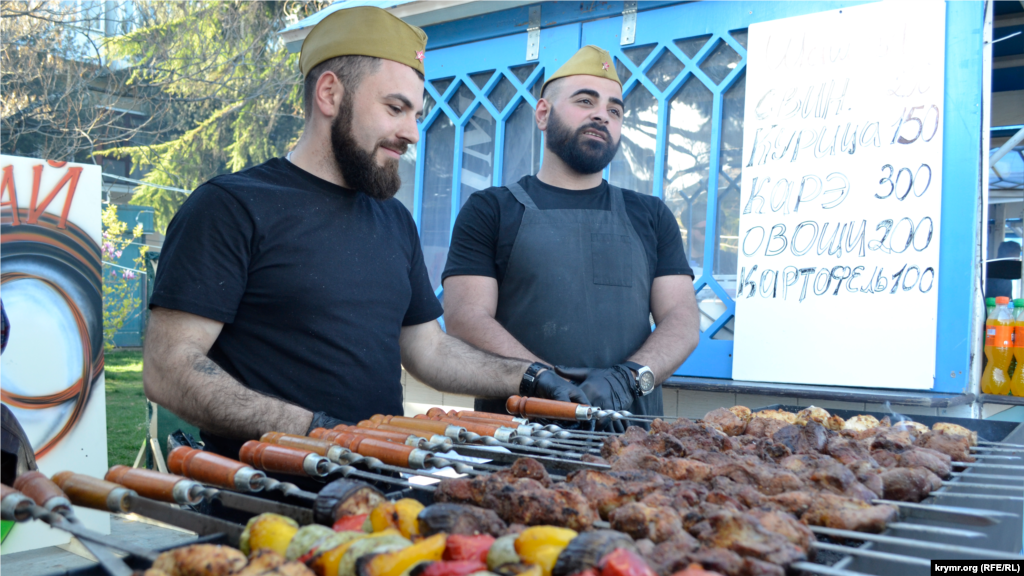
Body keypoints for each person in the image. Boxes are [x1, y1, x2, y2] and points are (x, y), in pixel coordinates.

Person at [142, 7, 589, 457]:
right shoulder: (230, 206)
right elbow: (168, 369)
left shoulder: (392, 219)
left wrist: (530, 375)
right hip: (262, 496)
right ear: (330, 94)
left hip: (379, 486)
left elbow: (427, 349)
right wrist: (318, 431)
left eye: (416, 113)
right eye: (395, 108)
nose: (412, 132)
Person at [442, 46, 700, 426]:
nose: (602, 114)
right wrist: (542, 381)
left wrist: (627, 379)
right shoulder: (490, 210)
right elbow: (465, 317)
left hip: (631, 441)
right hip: (519, 439)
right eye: (585, 101)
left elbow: (681, 319)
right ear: (543, 113)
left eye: (615, 110)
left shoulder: (651, 214)